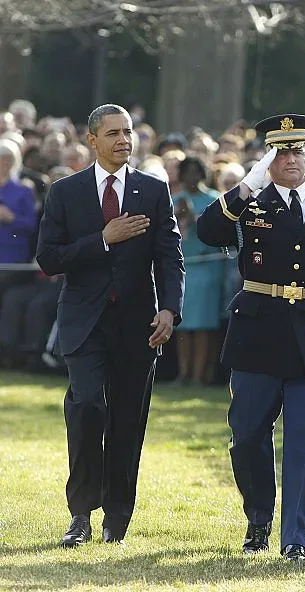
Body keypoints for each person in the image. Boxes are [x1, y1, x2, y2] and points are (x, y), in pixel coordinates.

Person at [196, 113, 305, 563]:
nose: (292, 158)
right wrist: (244, 186)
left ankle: (295, 537)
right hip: (258, 330)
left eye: (298, 150)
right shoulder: (249, 204)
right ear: (268, 159)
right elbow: (206, 231)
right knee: (248, 434)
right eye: (281, 151)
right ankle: (259, 519)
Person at [35, 103, 185, 547]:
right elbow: (49, 257)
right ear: (92, 140)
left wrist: (170, 310)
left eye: (129, 132)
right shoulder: (66, 193)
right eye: (114, 132)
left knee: (126, 420)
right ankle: (80, 513)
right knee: (85, 407)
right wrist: (103, 239)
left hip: (138, 324)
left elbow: (170, 257)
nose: (124, 140)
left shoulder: (154, 190)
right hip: (84, 322)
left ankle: (116, 518)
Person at [172, 156, 223, 385]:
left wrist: (194, 218)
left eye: (196, 172)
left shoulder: (214, 200)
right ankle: (183, 374)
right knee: (182, 325)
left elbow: (221, 233)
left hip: (208, 267)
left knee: (203, 326)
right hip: (183, 267)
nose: (191, 177)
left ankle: (201, 376)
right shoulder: (175, 200)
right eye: (187, 172)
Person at [0, 139, 38, 291]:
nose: (4, 163)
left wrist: (11, 218)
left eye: (8, 159)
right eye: (1, 158)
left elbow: (32, 225)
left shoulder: (24, 190)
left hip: (14, 258)